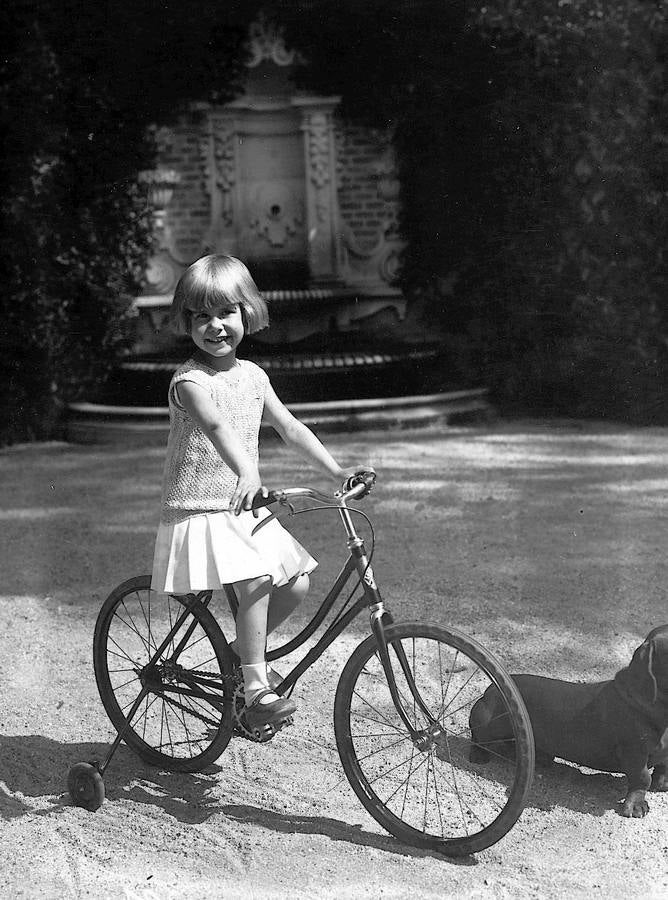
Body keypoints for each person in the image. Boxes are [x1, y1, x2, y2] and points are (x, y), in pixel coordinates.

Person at [151, 254, 368, 730]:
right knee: (254, 578)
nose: (216, 326)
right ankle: (254, 689)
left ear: (247, 312)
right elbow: (215, 426)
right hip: (199, 507)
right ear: (186, 323)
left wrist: (336, 471)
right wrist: (248, 472)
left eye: (226, 313)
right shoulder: (190, 381)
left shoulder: (252, 375)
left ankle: (234, 659)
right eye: (201, 316)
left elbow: (289, 426)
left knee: (297, 580)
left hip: (240, 503)